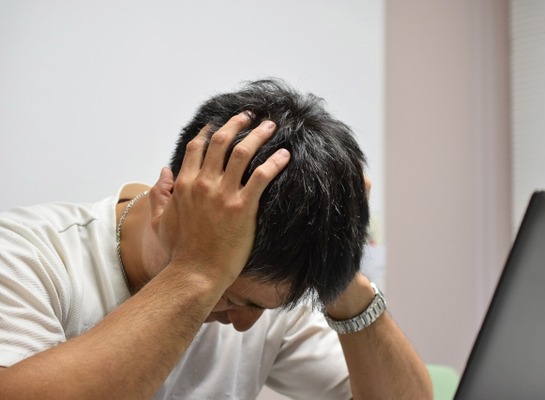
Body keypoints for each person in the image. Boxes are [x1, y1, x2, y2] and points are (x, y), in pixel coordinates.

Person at [0, 79, 432, 399]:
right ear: (168, 196)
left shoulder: (267, 287)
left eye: (260, 307)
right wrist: (199, 270)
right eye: (230, 297)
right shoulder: (25, 254)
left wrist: (339, 270)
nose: (244, 323)